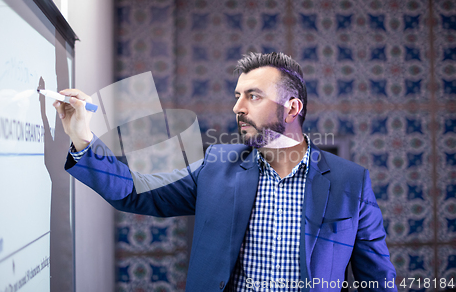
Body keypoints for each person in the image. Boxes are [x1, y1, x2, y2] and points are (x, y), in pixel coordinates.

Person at [53, 52, 397, 291]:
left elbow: (378, 279)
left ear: (292, 108)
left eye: (253, 96)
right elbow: (134, 190)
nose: (237, 107)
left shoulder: (351, 181)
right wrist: (82, 137)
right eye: (237, 96)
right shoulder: (215, 166)